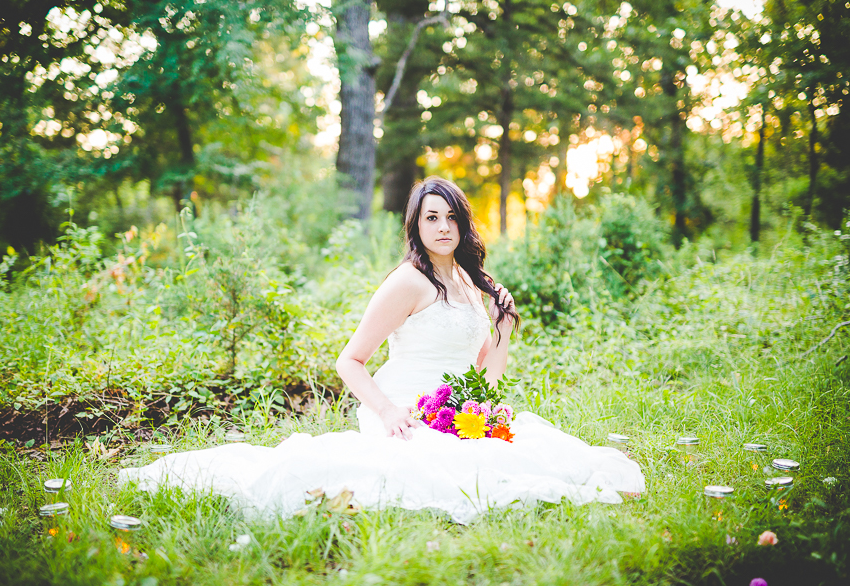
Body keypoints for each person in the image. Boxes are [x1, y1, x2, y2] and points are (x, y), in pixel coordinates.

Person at [120, 177, 644, 523]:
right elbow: (349, 361)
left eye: (451, 217)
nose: (442, 227)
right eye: (430, 218)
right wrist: (390, 411)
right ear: (416, 226)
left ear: (463, 224)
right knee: (444, 474)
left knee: (515, 452)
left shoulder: (466, 280)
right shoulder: (407, 282)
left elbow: (485, 376)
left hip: (458, 407)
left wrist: (504, 328)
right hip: (400, 408)